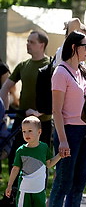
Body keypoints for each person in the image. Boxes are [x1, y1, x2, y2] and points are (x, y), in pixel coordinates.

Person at [0, 30, 52, 202]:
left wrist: (42, 112)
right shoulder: (23, 65)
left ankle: (36, 198)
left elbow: (57, 94)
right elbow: (5, 88)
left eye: (31, 41)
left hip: (42, 124)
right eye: (27, 41)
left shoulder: (51, 65)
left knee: (39, 164)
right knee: (15, 160)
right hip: (21, 123)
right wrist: (3, 114)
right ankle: (13, 195)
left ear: (42, 45)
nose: (27, 44)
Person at [48, 31, 86, 206]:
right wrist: (63, 141)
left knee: (80, 183)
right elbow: (56, 111)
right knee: (63, 183)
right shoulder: (60, 72)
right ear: (74, 47)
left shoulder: (83, 70)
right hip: (69, 132)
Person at [5, 116, 63, 207]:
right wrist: (9, 186)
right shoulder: (21, 150)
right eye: (24, 131)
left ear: (39, 132)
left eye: (30, 131)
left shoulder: (44, 148)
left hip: (39, 190)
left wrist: (60, 155)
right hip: (24, 189)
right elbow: (15, 169)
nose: (26, 134)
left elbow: (49, 164)